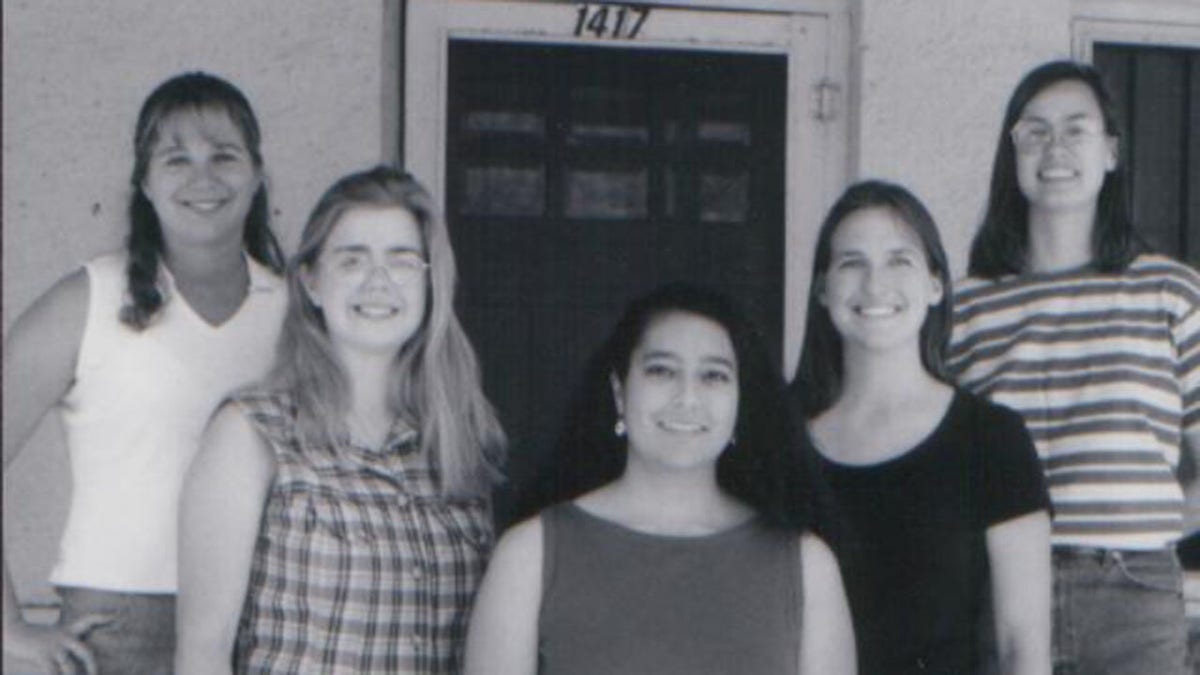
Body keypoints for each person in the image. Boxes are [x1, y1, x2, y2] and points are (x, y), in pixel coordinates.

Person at [2, 72, 286, 674]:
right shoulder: (88, 299)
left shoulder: (294, 315)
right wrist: (11, 630)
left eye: (224, 156)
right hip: (119, 634)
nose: (203, 178)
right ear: (144, 182)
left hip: (268, 622)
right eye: (176, 159)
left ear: (257, 175)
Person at [175, 165, 506, 674]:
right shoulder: (251, 433)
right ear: (310, 282)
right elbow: (204, 652)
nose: (379, 282)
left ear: (430, 281)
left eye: (402, 261)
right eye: (352, 260)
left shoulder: (460, 440)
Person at [950, 60, 1199, 674]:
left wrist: (1148, 520)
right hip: (1002, 598)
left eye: (1075, 129)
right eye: (1033, 131)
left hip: (1134, 599)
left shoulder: (1171, 293)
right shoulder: (965, 306)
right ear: (1012, 155)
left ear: (1111, 151)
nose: (1053, 148)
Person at [464, 283, 855, 675]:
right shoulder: (531, 553)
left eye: (714, 376)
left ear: (740, 400)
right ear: (620, 393)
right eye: (661, 371)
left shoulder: (805, 565)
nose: (687, 397)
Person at [792, 180, 1052, 674]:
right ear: (822, 289)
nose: (874, 285)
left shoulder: (992, 439)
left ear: (936, 285)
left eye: (899, 260)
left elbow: (1023, 647)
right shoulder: (780, 439)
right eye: (852, 262)